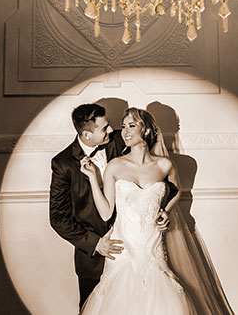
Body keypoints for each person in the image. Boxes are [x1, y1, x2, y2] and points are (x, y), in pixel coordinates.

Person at [79, 107, 196, 315]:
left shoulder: (165, 165)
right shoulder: (115, 166)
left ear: (147, 130)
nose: (125, 132)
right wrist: (92, 178)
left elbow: (176, 191)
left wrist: (166, 211)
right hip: (123, 248)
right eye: (123, 126)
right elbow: (106, 213)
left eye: (131, 126)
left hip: (153, 246)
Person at [49, 103, 129, 310]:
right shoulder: (63, 163)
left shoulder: (120, 140)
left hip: (132, 246)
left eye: (109, 124)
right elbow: (58, 218)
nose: (111, 130)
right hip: (93, 260)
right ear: (86, 134)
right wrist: (96, 244)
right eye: (104, 128)